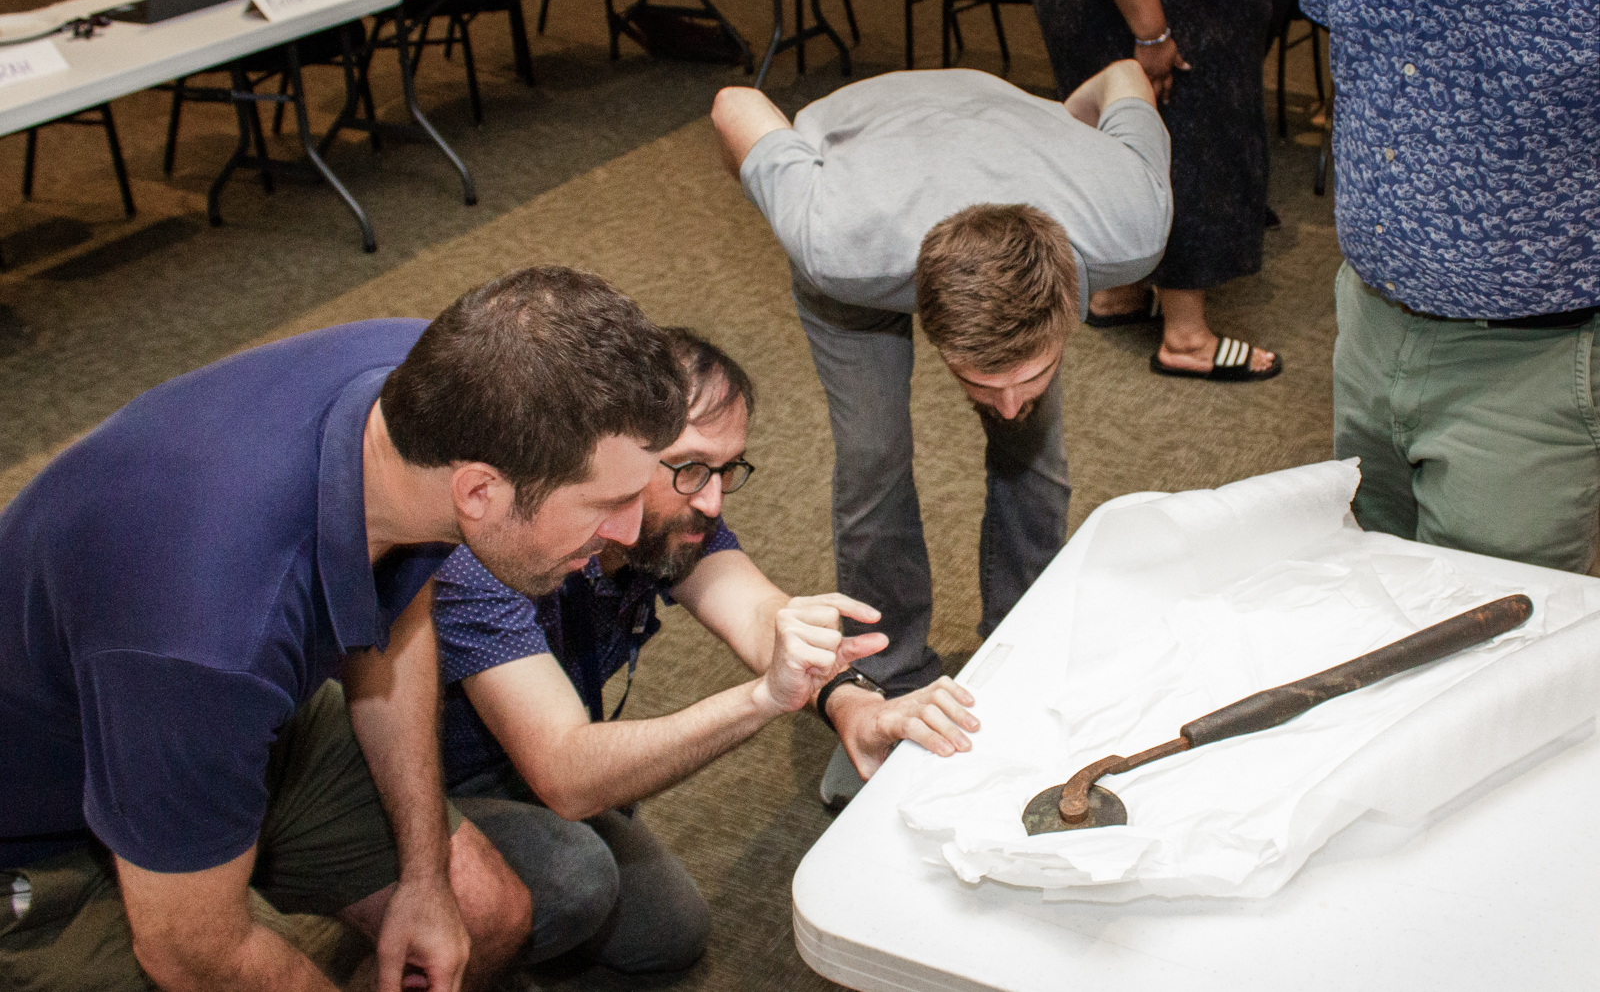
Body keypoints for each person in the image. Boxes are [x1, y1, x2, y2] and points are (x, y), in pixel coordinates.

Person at [0, 265, 688, 992]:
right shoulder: (213, 637)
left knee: (480, 911)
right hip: (40, 825)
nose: (630, 530)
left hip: (220, 714)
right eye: (606, 502)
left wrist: (425, 874)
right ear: (479, 491)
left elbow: (394, 610)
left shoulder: (435, 396)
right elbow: (191, 950)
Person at [409, 328, 982, 974]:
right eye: (688, 467)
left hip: (544, 745)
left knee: (668, 935)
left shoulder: (667, 514)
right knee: (575, 879)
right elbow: (566, 774)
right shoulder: (492, 553)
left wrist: (853, 705)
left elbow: (759, 613)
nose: (710, 497)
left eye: (726, 468)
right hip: (426, 781)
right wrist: (763, 697)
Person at [711, 58, 1172, 802]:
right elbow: (736, 101)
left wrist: (1064, 115)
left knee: (1034, 448)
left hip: (1004, 126)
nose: (1011, 398)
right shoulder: (836, 240)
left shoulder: (1130, 219)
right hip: (864, 165)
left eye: (1035, 370)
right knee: (874, 455)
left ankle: (1021, 656)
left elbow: (1123, 73)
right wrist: (789, 178)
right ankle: (886, 684)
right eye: (982, 382)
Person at [1300, 0, 1600, 573]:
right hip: (1366, 324)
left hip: (1529, 364)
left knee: (1488, 655)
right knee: (1361, 607)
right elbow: (1349, 42)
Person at [1032, 0, 1282, 383]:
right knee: (1187, 150)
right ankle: (1186, 339)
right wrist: (1151, 34)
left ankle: (1118, 292)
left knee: (1127, 143)